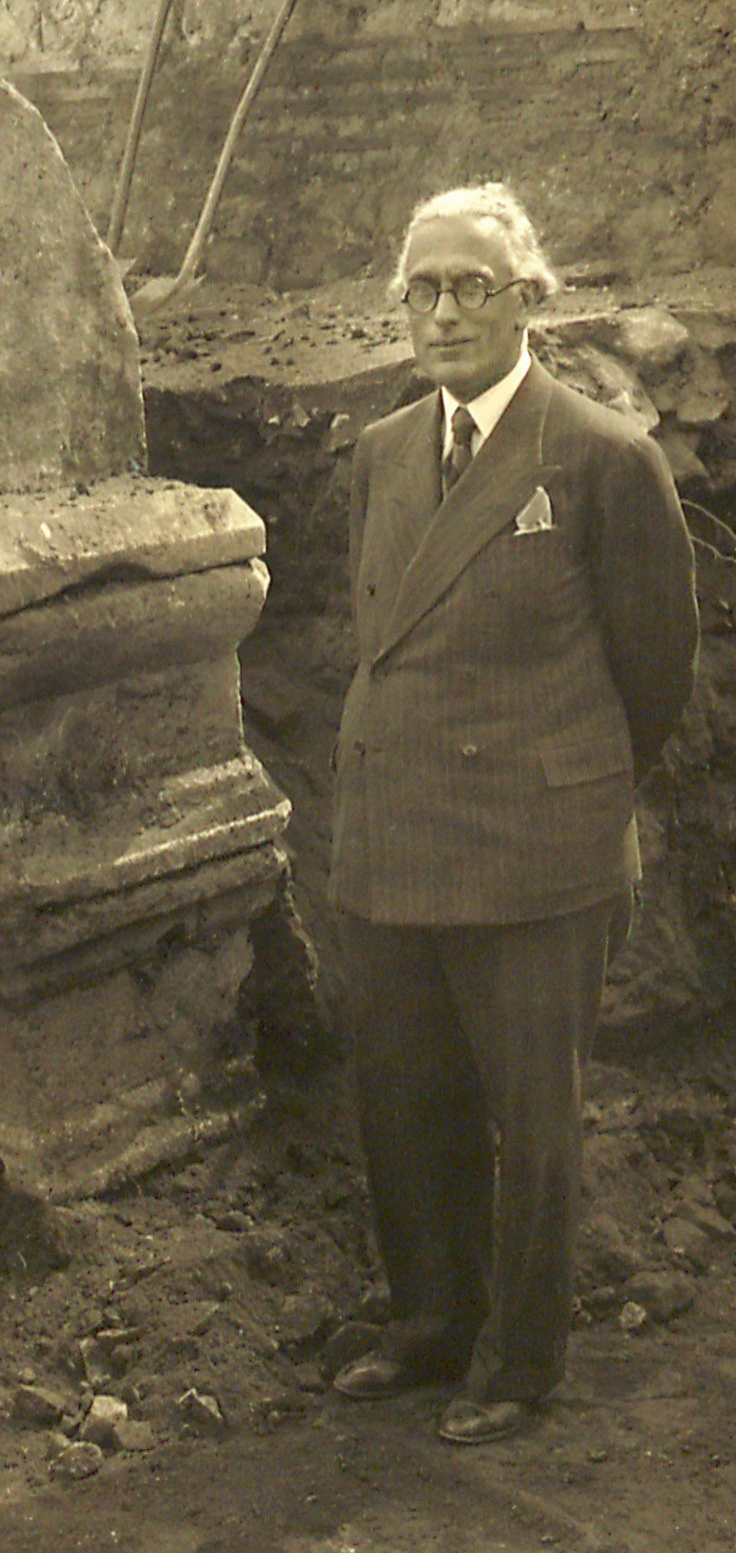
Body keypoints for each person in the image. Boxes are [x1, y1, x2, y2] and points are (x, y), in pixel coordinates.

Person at [327, 183, 698, 1444]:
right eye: (420, 287)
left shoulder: (602, 455)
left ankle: (520, 1357)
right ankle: (432, 1317)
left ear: (530, 298)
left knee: (532, 1117)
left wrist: (570, 792)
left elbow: (655, 672)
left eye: (470, 286)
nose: (440, 312)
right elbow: (379, 636)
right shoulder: (381, 452)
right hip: (397, 832)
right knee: (402, 1092)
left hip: (540, 848)